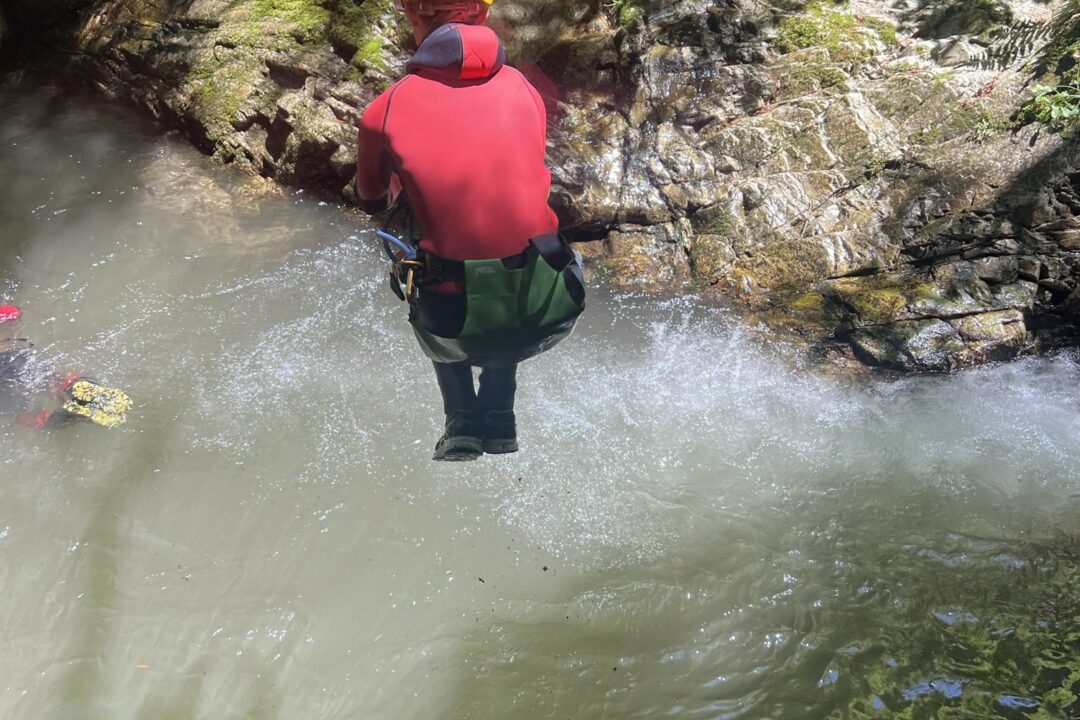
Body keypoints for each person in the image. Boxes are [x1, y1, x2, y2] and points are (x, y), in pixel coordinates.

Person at [355, 0, 585, 461]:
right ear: (482, 15)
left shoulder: (385, 108)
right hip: (550, 301)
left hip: (450, 315)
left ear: (413, 17)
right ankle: (499, 416)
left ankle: (461, 418)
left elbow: (371, 198)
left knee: (431, 268)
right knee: (511, 262)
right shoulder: (524, 88)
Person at [0, 303, 132, 429]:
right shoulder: (17, 343)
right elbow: (13, 312)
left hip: (10, 379)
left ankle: (77, 415)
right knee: (51, 380)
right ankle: (76, 387)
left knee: (32, 416)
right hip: (19, 359)